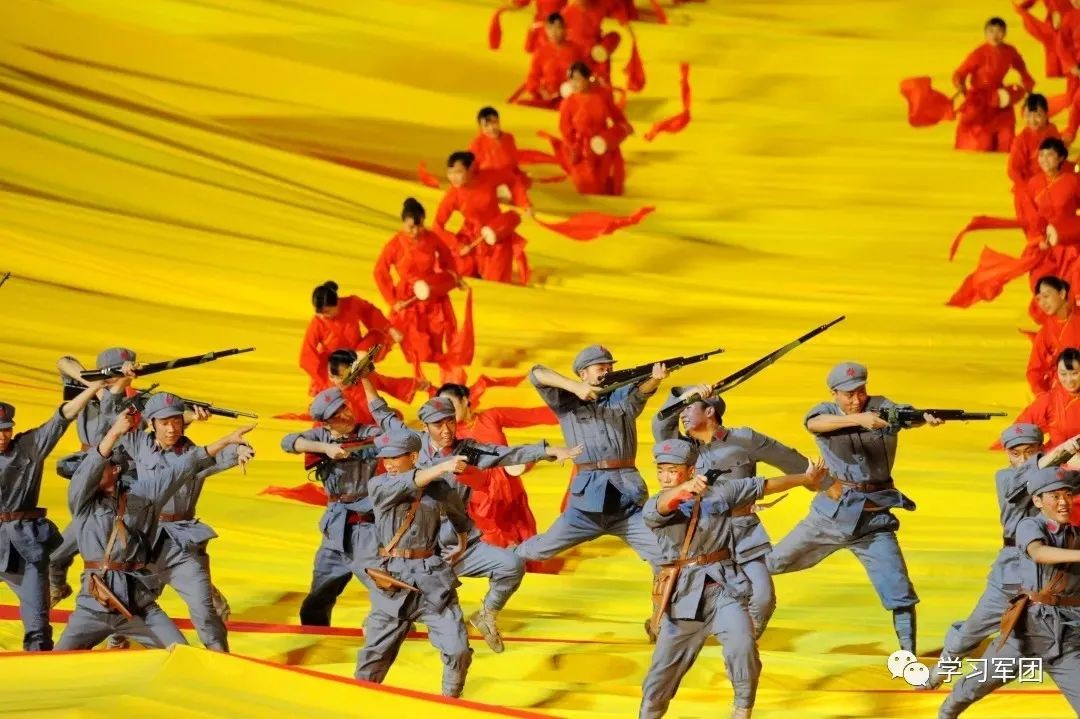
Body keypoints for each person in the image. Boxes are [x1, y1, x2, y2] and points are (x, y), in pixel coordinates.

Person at [365, 382, 581, 652]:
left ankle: (487, 615)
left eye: (450, 422)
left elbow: (505, 454)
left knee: (511, 564)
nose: (446, 430)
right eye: (438, 425)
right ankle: (384, 621)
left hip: (456, 542)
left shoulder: (467, 450)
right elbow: (383, 415)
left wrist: (547, 451)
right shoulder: (412, 445)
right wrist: (367, 380)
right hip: (415, 546)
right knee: (392, 615)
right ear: (425, 427)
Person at [640, 438, 827, 719]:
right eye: (661, 471)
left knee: (744, 648)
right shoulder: (654, 505)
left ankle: (742, 710)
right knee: (660, 677)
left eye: (673, 471)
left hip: (725, 589)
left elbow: (764, 485)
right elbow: (664, 505)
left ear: (691, 470)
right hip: (684, 601)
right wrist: (683, 489)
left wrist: (806, 478)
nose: (665, 477)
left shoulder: (721, 493)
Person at [765, 362, 945, 654]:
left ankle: (908, 655)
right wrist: (859, 419)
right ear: (834, 393)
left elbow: (905, 416)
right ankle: (723, 609)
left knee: (899, 590)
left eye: (861, 391)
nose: (856, 399)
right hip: (830, 516)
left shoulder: (882, 406)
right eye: (848, 394)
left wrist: (922, 418)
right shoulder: (825, 412)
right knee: (771, 563)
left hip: (874, 521)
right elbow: (814, 424)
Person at [56, 412, 253, 649]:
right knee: (53, 662)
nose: (87, 472)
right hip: (93, 606)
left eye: (97, 465)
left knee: (180, 655)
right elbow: (89, 468)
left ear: (115, 470)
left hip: (139, 607)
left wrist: (226, 441)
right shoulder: (81, 502)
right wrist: (115, 432)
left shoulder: (143, 494)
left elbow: (185, 466)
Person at [923, 423, 1080, 689]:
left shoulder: (1056, 476)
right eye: (1015, 453)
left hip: (1056, 571)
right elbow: (1034, 474)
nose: (1022, 459)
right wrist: (1064, 450)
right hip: (1013, 568)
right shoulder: (1006, 478)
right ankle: (943, 668)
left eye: (1029, 451)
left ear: (1040, 448)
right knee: (974, 628)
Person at [652, 384, 812, 637]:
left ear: (709, 411)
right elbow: (661, 425)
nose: (683, 414)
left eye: (689, 407)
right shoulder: (684, 448)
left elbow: (789, 459)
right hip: (698, 535)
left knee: (762, 596)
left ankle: (745, 639)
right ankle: (670, 629)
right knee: (684, 596)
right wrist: (682, 398)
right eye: (682, 409)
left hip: (741, 531)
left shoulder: (744, 439)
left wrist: (823, 482)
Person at [118, 392, 255, 652]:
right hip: (144, 539)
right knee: (123, 600)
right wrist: (123, 381)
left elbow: (222, 455)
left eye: (176, 421)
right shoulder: (140, 444)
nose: (171, 429)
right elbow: (117, 415)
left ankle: (220, 656)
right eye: (164, 423)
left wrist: (240, 449)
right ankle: (117, 642)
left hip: (180, 541)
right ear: (152, 423)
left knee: (204, 613)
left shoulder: (195, 455)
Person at [513, 345, 665, 576]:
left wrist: (655, 379)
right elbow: (536, 373)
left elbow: (641, 392)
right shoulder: (567, 402)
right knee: (537, 550)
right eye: (600, 368)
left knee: (664, 555)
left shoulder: (621, 398)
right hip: (585, 508)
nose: (607, 371)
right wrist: (575, 387)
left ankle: (666, 601)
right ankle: (498, 564)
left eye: (609, 367)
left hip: (626, 503)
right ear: (583, 373)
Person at [353, 431, 474, 697]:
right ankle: (359, 702)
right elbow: (410, 482)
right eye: (385, 459)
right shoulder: (379, 485)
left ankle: (451, 702)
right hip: (393, 582)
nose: (389, 464)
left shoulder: (438, 487)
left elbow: (459, 515)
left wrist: (462, 543)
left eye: (395, 457)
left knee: (458, 651)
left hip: (432, 580)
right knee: (373, 658)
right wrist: (442, 466)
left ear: (414, 456)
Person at [0, 379, 105, 650]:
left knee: (37, 623)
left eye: (6, 430)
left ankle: (39, 665)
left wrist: (94, 388)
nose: (2, 437)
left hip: (24, 547)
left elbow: (62, 418)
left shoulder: (27, 447)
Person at [280, 387, 382, 626]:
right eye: (337, 415)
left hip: (366, 526)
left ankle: (394, 631)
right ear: (326, 424)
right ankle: (314, 636)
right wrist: (326, 449)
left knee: (384, 590)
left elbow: (393, 439)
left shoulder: (369, 432)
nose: (346, 415)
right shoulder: (320, 437)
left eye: (345, 407)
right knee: (317, 599)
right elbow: (287, 442)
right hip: (335, 527)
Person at [50, 348, 139, 605]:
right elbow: (64, 361)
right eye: (116, 371)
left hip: (119, 483)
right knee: (56, 555)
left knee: (128, 555)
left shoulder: (136, 400)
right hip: (88, 480)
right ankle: (57, 586)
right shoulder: (86, 390)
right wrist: (97, 386)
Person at [436, 382, 558, 548]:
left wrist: (571, 411)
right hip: (482, 505)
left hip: (512, 492)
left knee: (529, 545)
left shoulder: (491, 417)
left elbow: (532, 415)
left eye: (450, 404)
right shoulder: (447, 437)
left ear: (464, 400)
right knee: (502, 550)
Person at [374, 198, 468, 383]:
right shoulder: (395, 244)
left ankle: (440, 386)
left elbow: (447, 258)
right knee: (418, 350)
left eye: (419, 226)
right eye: (411, 227)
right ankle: (420, 384)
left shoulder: (431, 238)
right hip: (408, 300)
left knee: (436, 345)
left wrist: (452, 277)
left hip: (432, 296)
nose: (416, 231)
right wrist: (393, 300)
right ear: (403, 223)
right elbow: (380, 271)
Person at [435, 151, 534, 284]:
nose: (453, 178)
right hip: (471, 236)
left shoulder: (487, 176)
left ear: (470, 169)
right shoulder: (453, 195)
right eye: (450, 173)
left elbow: (512, 179)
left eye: (458, 172)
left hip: (497, 233)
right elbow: (437, 225)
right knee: (459, 273)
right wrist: (457, 245)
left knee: (496, 281)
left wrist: (524, 203)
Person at [299, 281, 400, 396]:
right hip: (335, 365)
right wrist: (326, 379)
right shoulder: (317, 323)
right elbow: (306, 355)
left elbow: (370, 312)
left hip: (356, 355)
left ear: (337, 303)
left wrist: (390, 329)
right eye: (319, 313)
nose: (322, 316)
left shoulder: (351, 303)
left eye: (326, 312)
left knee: (377, 335)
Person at [952, 17, 1036, 152]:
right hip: (981, 98)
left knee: (1007, 139)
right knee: (982, 145)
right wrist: (960, 84)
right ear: (986, 33)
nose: (995, 35)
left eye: (999, 31)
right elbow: (961, 72)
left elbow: (1020, 66)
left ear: (1005, 33)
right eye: (991, 31)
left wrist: (1027, 82)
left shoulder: (1009, 51)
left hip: (999, 96)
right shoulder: (979, 53)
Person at [559, 62, 634, 195]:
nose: (574, 84)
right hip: (580, 151)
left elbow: (618, 119)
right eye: (571, 80)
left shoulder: (601, 96)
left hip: (602, 147)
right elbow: (565, 129)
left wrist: (615, 134)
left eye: (578, 79)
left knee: (607, 188)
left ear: (588, 79)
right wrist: (574, 147)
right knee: (588, 188)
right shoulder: (568, 102)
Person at [1007, 94, 1062, 216]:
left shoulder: (1052, 131)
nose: (1032, 120)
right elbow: (1012, 170)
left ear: (1046, 114)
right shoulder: (1021, 140)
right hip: (1030, 192)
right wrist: (1027, 191)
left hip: (1051, 186)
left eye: (1037, 115)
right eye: (1028, 115)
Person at [1016, 348, 1080, 448]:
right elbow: (1018, 429)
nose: (1069, 380)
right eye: (1063, 374)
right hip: (1058, 455)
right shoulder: (1051, 400)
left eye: (1074, 373)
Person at [1028, 277, 1080, 393]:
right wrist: (1043, 395)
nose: (1042, 303)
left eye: (1046, 296)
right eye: (1039, 299)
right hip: (1063, 391)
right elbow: (1034, 371)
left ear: (1062, 294)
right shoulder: (1045, 332)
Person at [524, 13, 586, 108]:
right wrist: (541, 91)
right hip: (547, 96)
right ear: (546, 30)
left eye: (558, 28)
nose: (554, 32)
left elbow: (584, 76)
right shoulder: (541, 52)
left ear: (565, 29)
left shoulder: (575, 50)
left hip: (570, 95)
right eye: (550, 28)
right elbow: (532, 78)